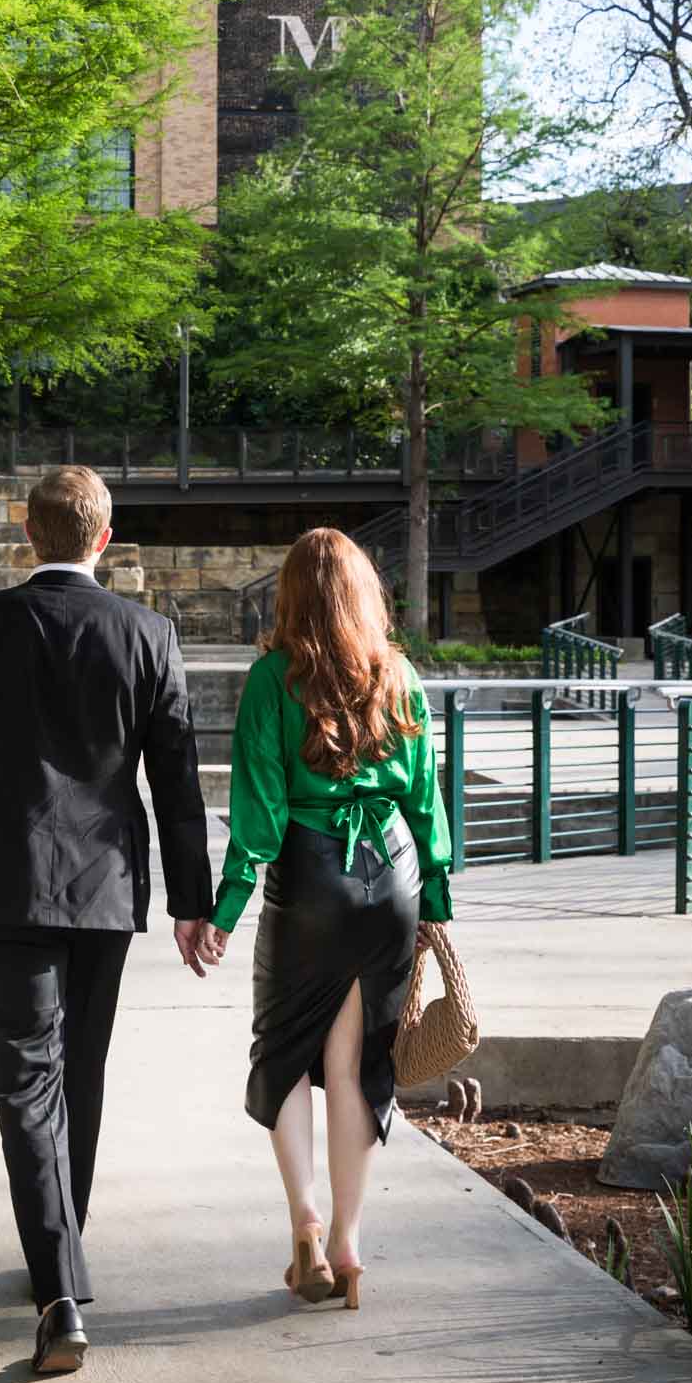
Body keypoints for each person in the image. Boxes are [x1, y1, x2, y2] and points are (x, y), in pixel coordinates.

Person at [0, 465, 212, 1376]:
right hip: (106, 889)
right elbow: (177, 780)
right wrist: (192, 902)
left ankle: (57, 1286)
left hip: (6, 883)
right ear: (104, 540)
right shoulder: (148, 633)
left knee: (25, 1080)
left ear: (29, 534)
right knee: (78, 1071)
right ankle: (62, 1258)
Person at [196, 527, 453, 1309]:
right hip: (393, 880)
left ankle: (304, 1222)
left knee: (284, 1058)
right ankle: (347, 1240)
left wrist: (227, 907)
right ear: (364, 594)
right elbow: (426, 803)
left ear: (292, 595)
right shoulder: (398, 674)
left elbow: (261, 812)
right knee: (355, 1070)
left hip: (310, 880)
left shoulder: (274, 677)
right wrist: (433, 905)